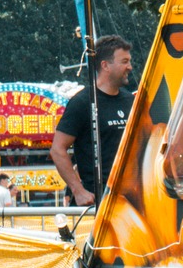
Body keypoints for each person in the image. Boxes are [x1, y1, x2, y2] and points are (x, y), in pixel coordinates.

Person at [51, 36, 136, 206]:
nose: (130, 67)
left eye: (129, 61)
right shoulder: (83, 102)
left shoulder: (131, 101)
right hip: (97, 201)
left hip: (130, 199)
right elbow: (57, 149)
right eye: (124, 61)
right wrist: (78, 191)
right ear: (105, 65)